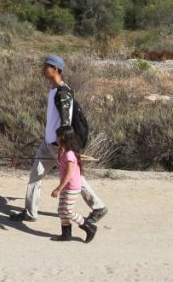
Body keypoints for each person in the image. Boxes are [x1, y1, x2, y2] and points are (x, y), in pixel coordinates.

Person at [9, 54, 108, 223]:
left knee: (74, 176)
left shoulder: (63, 93)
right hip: (48, 143)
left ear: (56, 69)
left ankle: (98, 207)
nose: (43, 69)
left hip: (58, 144)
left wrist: (63, 146)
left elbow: (66, 122)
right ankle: (31, 212)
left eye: (46, 66)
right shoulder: (54, 90)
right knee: (35, 174)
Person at [50, 126, 98, 242]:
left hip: (71, 186)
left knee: (67, 211)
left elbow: (69, 174)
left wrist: (58, 189)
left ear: (63, 138)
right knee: (61, 211)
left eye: (57, 136)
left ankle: (89, 226)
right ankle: (66, 235)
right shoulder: (64, 152)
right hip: (67, 186)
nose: (55, 138)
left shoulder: (69, 155)